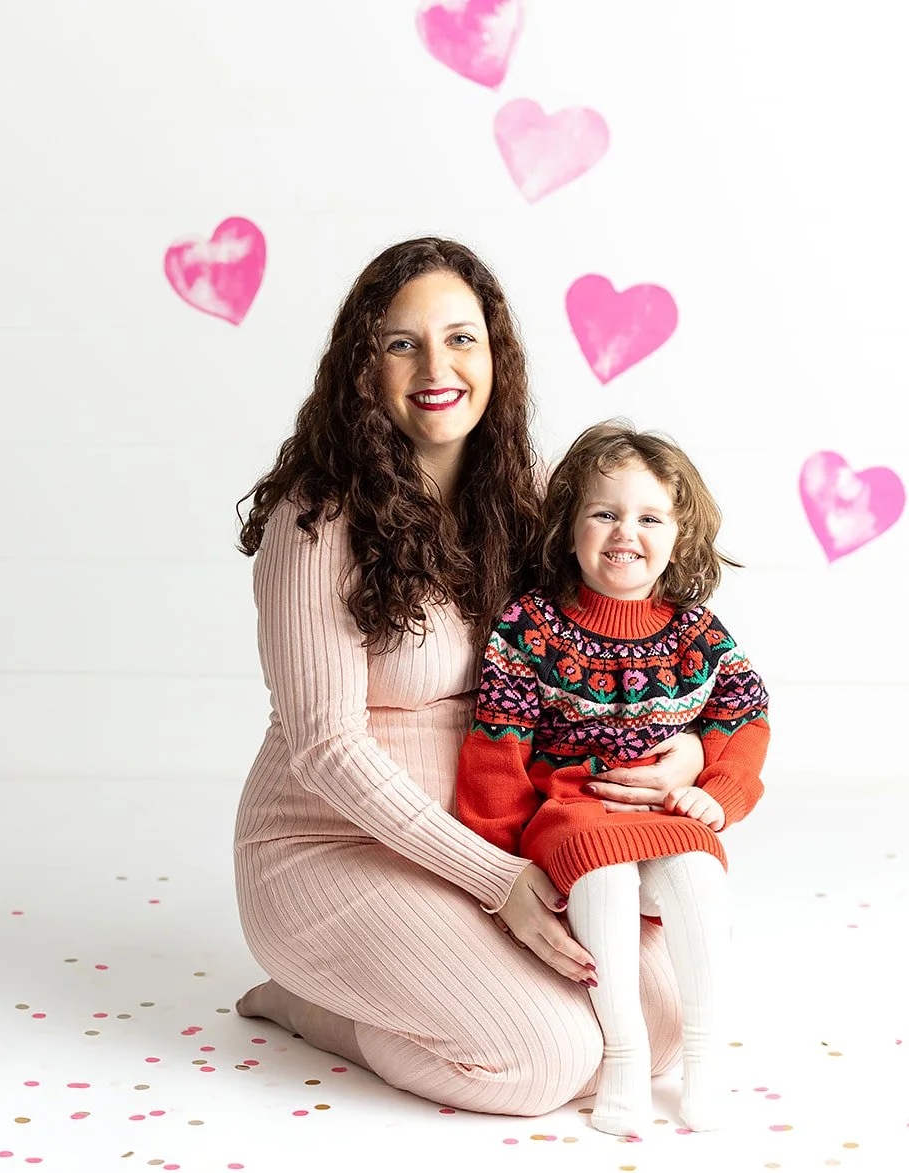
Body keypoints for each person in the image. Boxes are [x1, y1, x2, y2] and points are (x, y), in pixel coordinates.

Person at [231, 237, 711, 1118]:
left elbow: (621, 652)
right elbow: (329, 748)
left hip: (494, 834)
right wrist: (498, 882)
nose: (435, 366)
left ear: (496, 356)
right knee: (543, 1062)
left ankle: (448, 980)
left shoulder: (527, 498)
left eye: (460, 338)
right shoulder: (318, 517)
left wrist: (686, 748)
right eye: (400, 343)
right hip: (330, 847)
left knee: (660, 1024)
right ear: (361, 366)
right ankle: (313, 1008)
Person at [455, 422, 770, 1137]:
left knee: (696, 867)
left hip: (663, 807)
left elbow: (746, 713)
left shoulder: (695, 632)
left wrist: (716, 790)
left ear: (678, 535)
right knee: (604, 874)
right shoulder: (530, 627)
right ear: (569, 527)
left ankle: (705, 1055)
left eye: (649, 517)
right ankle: (625, 1056)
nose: (626, 532)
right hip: (574, 808)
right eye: (604, 512)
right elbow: (495, 748)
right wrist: (500, 864)